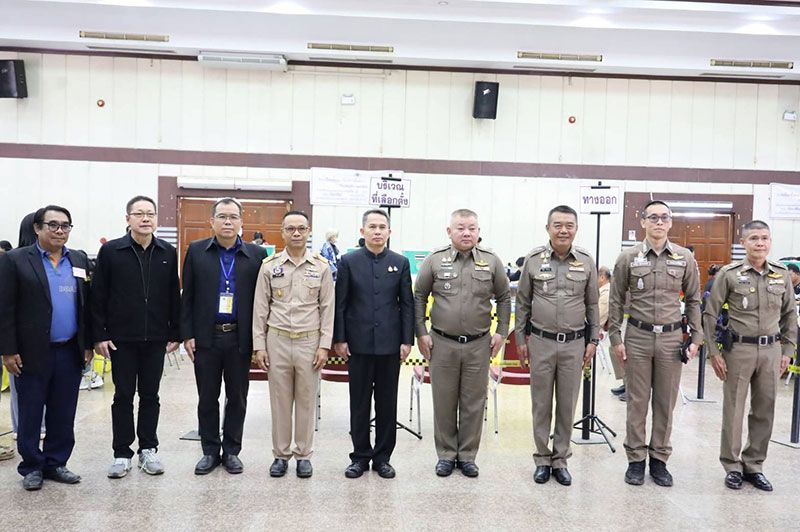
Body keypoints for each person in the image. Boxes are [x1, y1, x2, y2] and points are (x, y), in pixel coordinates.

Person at [608, 200, 702, 488]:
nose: (659, 222)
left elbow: (694, 299)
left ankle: (659, 460)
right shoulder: (628, 257)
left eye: (664, 217)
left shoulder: (684, 257)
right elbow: (615, 299)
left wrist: (696, 337)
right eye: (653, 217)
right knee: (637, 402)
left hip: (671, 339)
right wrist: (615, 337)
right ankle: (636, 460)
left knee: (665, 403)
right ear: (643, 222)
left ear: (670, 222)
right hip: (638, 337)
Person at [0, 205, 93, 491]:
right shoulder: (16, 260)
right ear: (37, 228)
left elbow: (86, 305)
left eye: (65, 225)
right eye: (53, 225)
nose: (60, 230)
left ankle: (56, 462)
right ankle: (31, 466)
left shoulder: (78, 259)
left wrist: (87, 344)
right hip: (30, 352)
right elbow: (5, 308)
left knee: (63, 411)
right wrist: (7, 350)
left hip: (69, 351)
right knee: (30, 411)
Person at [414, 208, 511, 478]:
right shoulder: (434, 260)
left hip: (479, 344)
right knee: (443, 401)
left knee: (473, 403)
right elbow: (419, 296)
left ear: (479, 232)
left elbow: (504, 297)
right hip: (441, 343)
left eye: (471, 228)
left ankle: (468, 456)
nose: (466, 233)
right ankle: (446, 455)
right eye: (460, 228)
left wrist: (502, 331)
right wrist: (421, 332)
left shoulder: (492, 261)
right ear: (449, 231)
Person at [91, 195, 181, 478]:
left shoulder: (167, 251)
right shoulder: (111, 251)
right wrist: (100, 334)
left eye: (150, 214)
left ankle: (148, 449)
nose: (145, 218)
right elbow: (98, 295)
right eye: (139, 213)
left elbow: (173, 294)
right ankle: (121, 453)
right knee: (123, 395)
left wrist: (175, 332)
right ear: (127, 218)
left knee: (151, 395)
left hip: (155, 338)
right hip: (122, 339)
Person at [703, 220, 796, 492]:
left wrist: (788, 351)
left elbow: (790, 315)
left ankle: (754, 464)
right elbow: (710, 314)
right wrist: (714, 352)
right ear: (743, 242)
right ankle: (732, 466)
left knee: (764, 409)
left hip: (771, 351)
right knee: (733, 409)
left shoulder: (781, 275)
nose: (760, 243)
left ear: (770, 242)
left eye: (765, 238)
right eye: (754, 238)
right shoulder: (729, 274)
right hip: (738, 350)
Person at [181, 198, 266, 475]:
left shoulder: (257, 255)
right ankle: (209, 450)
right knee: (207, 396)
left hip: (240, 337)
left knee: (237, 397)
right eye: (222, 216)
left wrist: (259, 340)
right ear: (212, 221)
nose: (227, 222)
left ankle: (231, 451)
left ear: (241, 222)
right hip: (206, 337)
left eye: (233, 217)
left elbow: (263, 300)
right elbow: (187, 296)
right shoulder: (197, 251)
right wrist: (188, 334)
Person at [515, 205, 599, 486]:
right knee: (541, 404)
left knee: (567, 404)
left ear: (576, 229)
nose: (563, 230)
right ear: (548, 228)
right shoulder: (534, 260)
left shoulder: (586, 261)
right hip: (541, 342)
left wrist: (593, 340)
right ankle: (542, 458)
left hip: (574, 344)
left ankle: (560, 459)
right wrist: (520, 339)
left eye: (569, 225)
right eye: (558, 225)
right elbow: (523, 302)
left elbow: (593, 304)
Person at [253, 210, 334, 479]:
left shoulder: (321, 267)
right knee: (280, 401)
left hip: (309, 342)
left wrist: (324, 345)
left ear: (308, 231)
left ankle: (304, 455)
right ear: (282, 232)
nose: (296, 233)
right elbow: (260, 308)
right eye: (290, 229)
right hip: (277, 339)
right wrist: (259, 345)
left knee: (307, 400)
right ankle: (280, 454)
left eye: (301, 228)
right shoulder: (269, 266)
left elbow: (327, 308)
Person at [333, 209, 414, 480]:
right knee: (359, 403)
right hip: (358, 345)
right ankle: (359, 456)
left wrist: (406, 340)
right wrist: (340, 338)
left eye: (382, 227)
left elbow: (407, 304)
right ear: (362, 231)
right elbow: (341, 303)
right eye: (372, 227)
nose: (377, 231)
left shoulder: (400, 262)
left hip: (390, 345)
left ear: (389, 232)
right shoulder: (348, 261)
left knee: (387, 403)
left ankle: (382, 458)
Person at [599, 266, 625, 400]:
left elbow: (600, 314)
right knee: (614, 350)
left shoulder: (606, 291)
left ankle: (631, 386)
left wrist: (594, 328)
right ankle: (626, 383)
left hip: (621, 327)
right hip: (615, 327)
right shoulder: (607, 289)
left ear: (602, 277)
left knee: (620, 352)